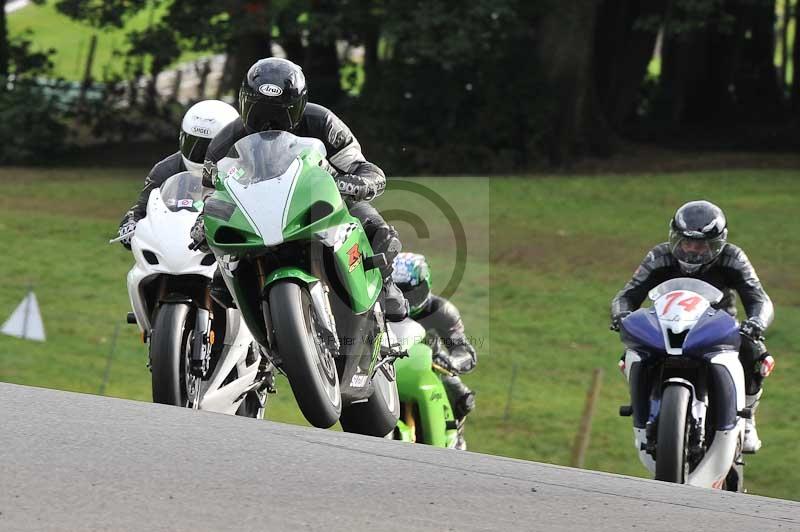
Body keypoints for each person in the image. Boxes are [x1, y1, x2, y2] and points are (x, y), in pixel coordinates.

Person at [190, 57, 408, 321]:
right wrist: (204, 220)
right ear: (244, 103)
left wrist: (360, 182)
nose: (269, 122)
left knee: (376, 227)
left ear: (299, 107)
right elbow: (211, 194)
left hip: (322, 200)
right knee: (221, 284)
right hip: (255, 215)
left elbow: (361, 165)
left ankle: (385, 285)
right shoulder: (222, 143)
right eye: (259, 111)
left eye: (281, 112)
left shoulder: (323, 122)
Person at [610, 200, 775, 453]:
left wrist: (756, 322)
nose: (692, 250)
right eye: (686, 242)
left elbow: (758, 297)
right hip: (667, 324)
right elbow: (627, 295)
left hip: (717, 329)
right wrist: (621, 315)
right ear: (675, 237)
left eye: (701, 245)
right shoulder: (659, 256)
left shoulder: (733, 257)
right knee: (632, 354)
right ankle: (642, 410)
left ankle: (748, 417)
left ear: (718, 243)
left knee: (754, 352)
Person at [116, 100, 240, 248]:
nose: (201, 153)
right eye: (192, 143)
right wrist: (130, 225)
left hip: (224, 248)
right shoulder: (165, 169)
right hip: (171, 248)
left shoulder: (243, 169)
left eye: (213, 147)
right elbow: (140, 208)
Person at [392, 252, 477, 450]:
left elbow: (465, 350)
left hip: (430, 366)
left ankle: (456, 434)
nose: (405, 299)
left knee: (462, 396)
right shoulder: (380, 307)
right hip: (389, 363)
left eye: (410, 292)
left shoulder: (440, 310)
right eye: (398, 292)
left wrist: (451, 362)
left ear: (425, 285)